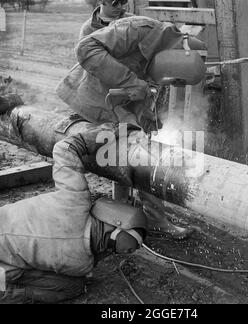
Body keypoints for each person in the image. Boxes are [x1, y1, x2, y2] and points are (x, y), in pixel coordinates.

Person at [57, 16, 207, 240]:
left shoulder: (164, 54)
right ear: (177, 58)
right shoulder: (137, 29)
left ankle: (145, 216)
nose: (171, 84)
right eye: (174, 80)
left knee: (139, 150)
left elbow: (146, 86)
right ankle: (82, 217)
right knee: (130, 153)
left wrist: (147, 115)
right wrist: (130, 81)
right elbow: (86, 48)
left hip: (116, 103)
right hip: (91, 97)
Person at [0, 125, 147, 304]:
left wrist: (111, 133)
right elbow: (93, 254)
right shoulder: (81, 265)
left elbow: (64, 148)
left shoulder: (75, 198)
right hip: (6, 268)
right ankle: (12, 293)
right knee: (74, 286)